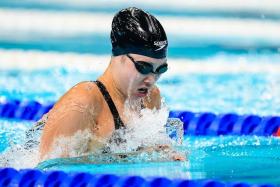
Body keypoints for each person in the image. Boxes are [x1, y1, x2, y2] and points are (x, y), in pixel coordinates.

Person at [39, 7, 184, 161]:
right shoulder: (84, 103)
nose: (151, 79)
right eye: (143, 67)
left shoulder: (150, 98)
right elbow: (50, 170)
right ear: (119, 56)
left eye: (160, 69)